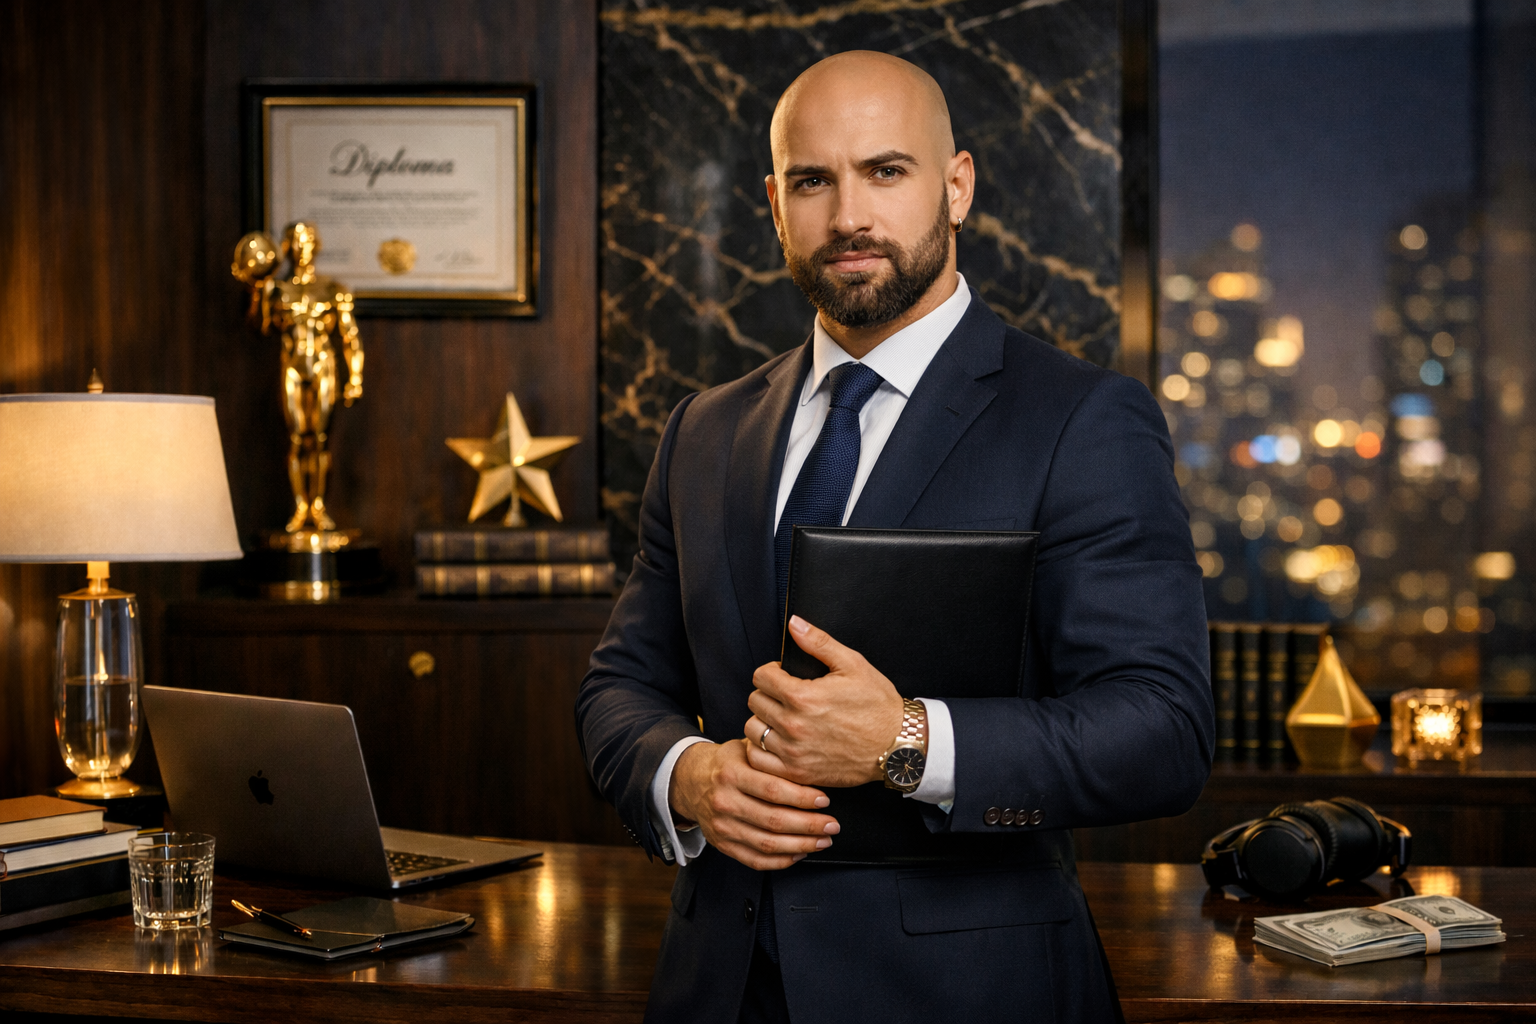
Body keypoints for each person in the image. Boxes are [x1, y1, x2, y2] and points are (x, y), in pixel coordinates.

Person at [578, 51, 1212, 1023]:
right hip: (717, 990)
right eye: (812, 181)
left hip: (967, 995)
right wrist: (689, 776)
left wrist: (906, 741)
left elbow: (1164, 730)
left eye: (885, 171)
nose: (848, 217)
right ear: (775, 205)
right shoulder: (703, 430)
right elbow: (618, 687)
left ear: (956, 186)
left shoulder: (1082, 421)